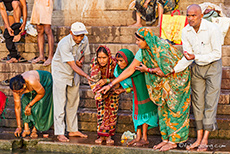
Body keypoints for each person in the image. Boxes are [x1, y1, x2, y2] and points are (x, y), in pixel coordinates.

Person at [99, 27, 191, 151]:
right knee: (162, 109)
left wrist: (147, 70)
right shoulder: (143, 51)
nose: (136, 43)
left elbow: (164, 71)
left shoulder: (162, 48)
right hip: (163, 82)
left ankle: (174, 141)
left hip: (177, 80)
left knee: (174, 109)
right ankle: (165, 139)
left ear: (146, 40)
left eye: (138, 40)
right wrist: (111, 84)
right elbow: (130, 69)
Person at [173, 4, 222, 151]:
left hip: (213, 66)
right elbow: (188, 56)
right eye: (188, 15)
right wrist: (173, 70)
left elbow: (217, 54)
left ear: (201, 16)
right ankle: (198, 138)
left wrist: (196, 56)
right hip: (196, 66)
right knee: (197, 103)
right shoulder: (185, 31)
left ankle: (205, 139)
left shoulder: (212, 29)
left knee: (210, 102)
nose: (190, 18)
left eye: (194, 15)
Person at [52, 22, 94, 142]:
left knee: (73, 101)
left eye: (81, 35)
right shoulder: (64, 44)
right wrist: (86, 75)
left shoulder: (85, 40)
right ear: (71, 33)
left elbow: (83, 55)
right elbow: (72, 65)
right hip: (61, 72)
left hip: (75, 73)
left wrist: (81, 60)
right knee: (60, 102)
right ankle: (60, 132)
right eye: (77, 36)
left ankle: (72, 129)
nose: (79, 38)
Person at [113, 48, 158, 146]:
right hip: (136, 97)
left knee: (144, 114)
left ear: (128, 60)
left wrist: (124, 90)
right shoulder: (118, 71)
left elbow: (138, 86)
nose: (119, 63)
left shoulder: (137, 70)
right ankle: (138, 137)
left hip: (144, 94)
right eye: (117, 61)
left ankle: (144, 138)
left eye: (121, 61)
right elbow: (130, 87)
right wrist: (121, 89)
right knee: (137, 116)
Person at [89, 45, 119, 144]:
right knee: (101, 113)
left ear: (108, 57)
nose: (101, 60)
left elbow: (119, 79)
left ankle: (109, 136)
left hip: (113, 90)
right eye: (99, 57)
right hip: (100, 91)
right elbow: (93, 79)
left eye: (104, 58)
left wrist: (107, 81)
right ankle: (101, 136)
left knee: (112, 113)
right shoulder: (95, 63)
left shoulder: (114, 64)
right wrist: (99, 91)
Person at [9, 70, 53, 138]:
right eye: (16, 92)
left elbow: (41, 93)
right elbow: (17, 107)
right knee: (24, 100)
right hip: (34, 87)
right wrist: (19, 127)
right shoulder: (15, 87)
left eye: (19, 92)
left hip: (45, 81)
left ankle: (35, 129)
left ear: (23, 86)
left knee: (39, 104)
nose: (17, 94)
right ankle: (26, 129)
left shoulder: (31, 81)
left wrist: (29, 105)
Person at [30, 0, 54, 66]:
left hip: (46, 3)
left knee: (47, 30)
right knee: (39, 29)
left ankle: (50, 57)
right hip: (37, 3)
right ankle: (41, 56)